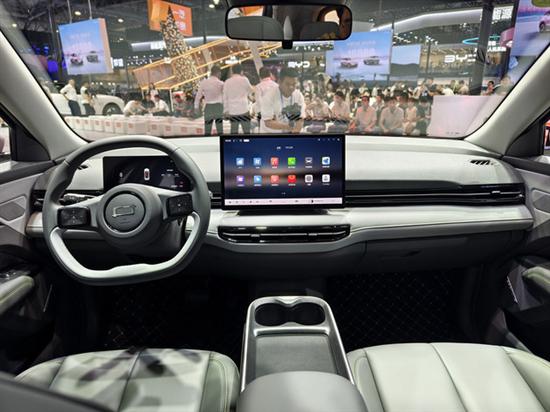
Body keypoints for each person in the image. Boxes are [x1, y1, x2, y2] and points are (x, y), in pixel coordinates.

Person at [261, 67, 305, 134]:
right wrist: (289, 127)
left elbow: (300, 119)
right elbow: (268, 122)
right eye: (287, 84)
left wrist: (295, 132)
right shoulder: (269, 96)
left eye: (294, 84)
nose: (291, 87)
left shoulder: (298, 95)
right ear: (279, 82)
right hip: (270, 133)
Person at [223, 64, 254, 134]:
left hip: (232, 111)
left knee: (234, 132)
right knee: (247, 131)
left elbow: (225, 97)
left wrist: (226, 110)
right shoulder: (244, 79)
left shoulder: (227, 82)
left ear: (232, 71)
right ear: (241, 71)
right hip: (244, 109)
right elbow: (251, 90)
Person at [194, 65, 224, 135]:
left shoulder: (204, 83)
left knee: (207, 130)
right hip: (218, 107)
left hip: (208, 108)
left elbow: (198, 96)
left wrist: (196, 107)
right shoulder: (221, 83)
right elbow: (225, 97)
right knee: (220, 130)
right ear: (218, 73)